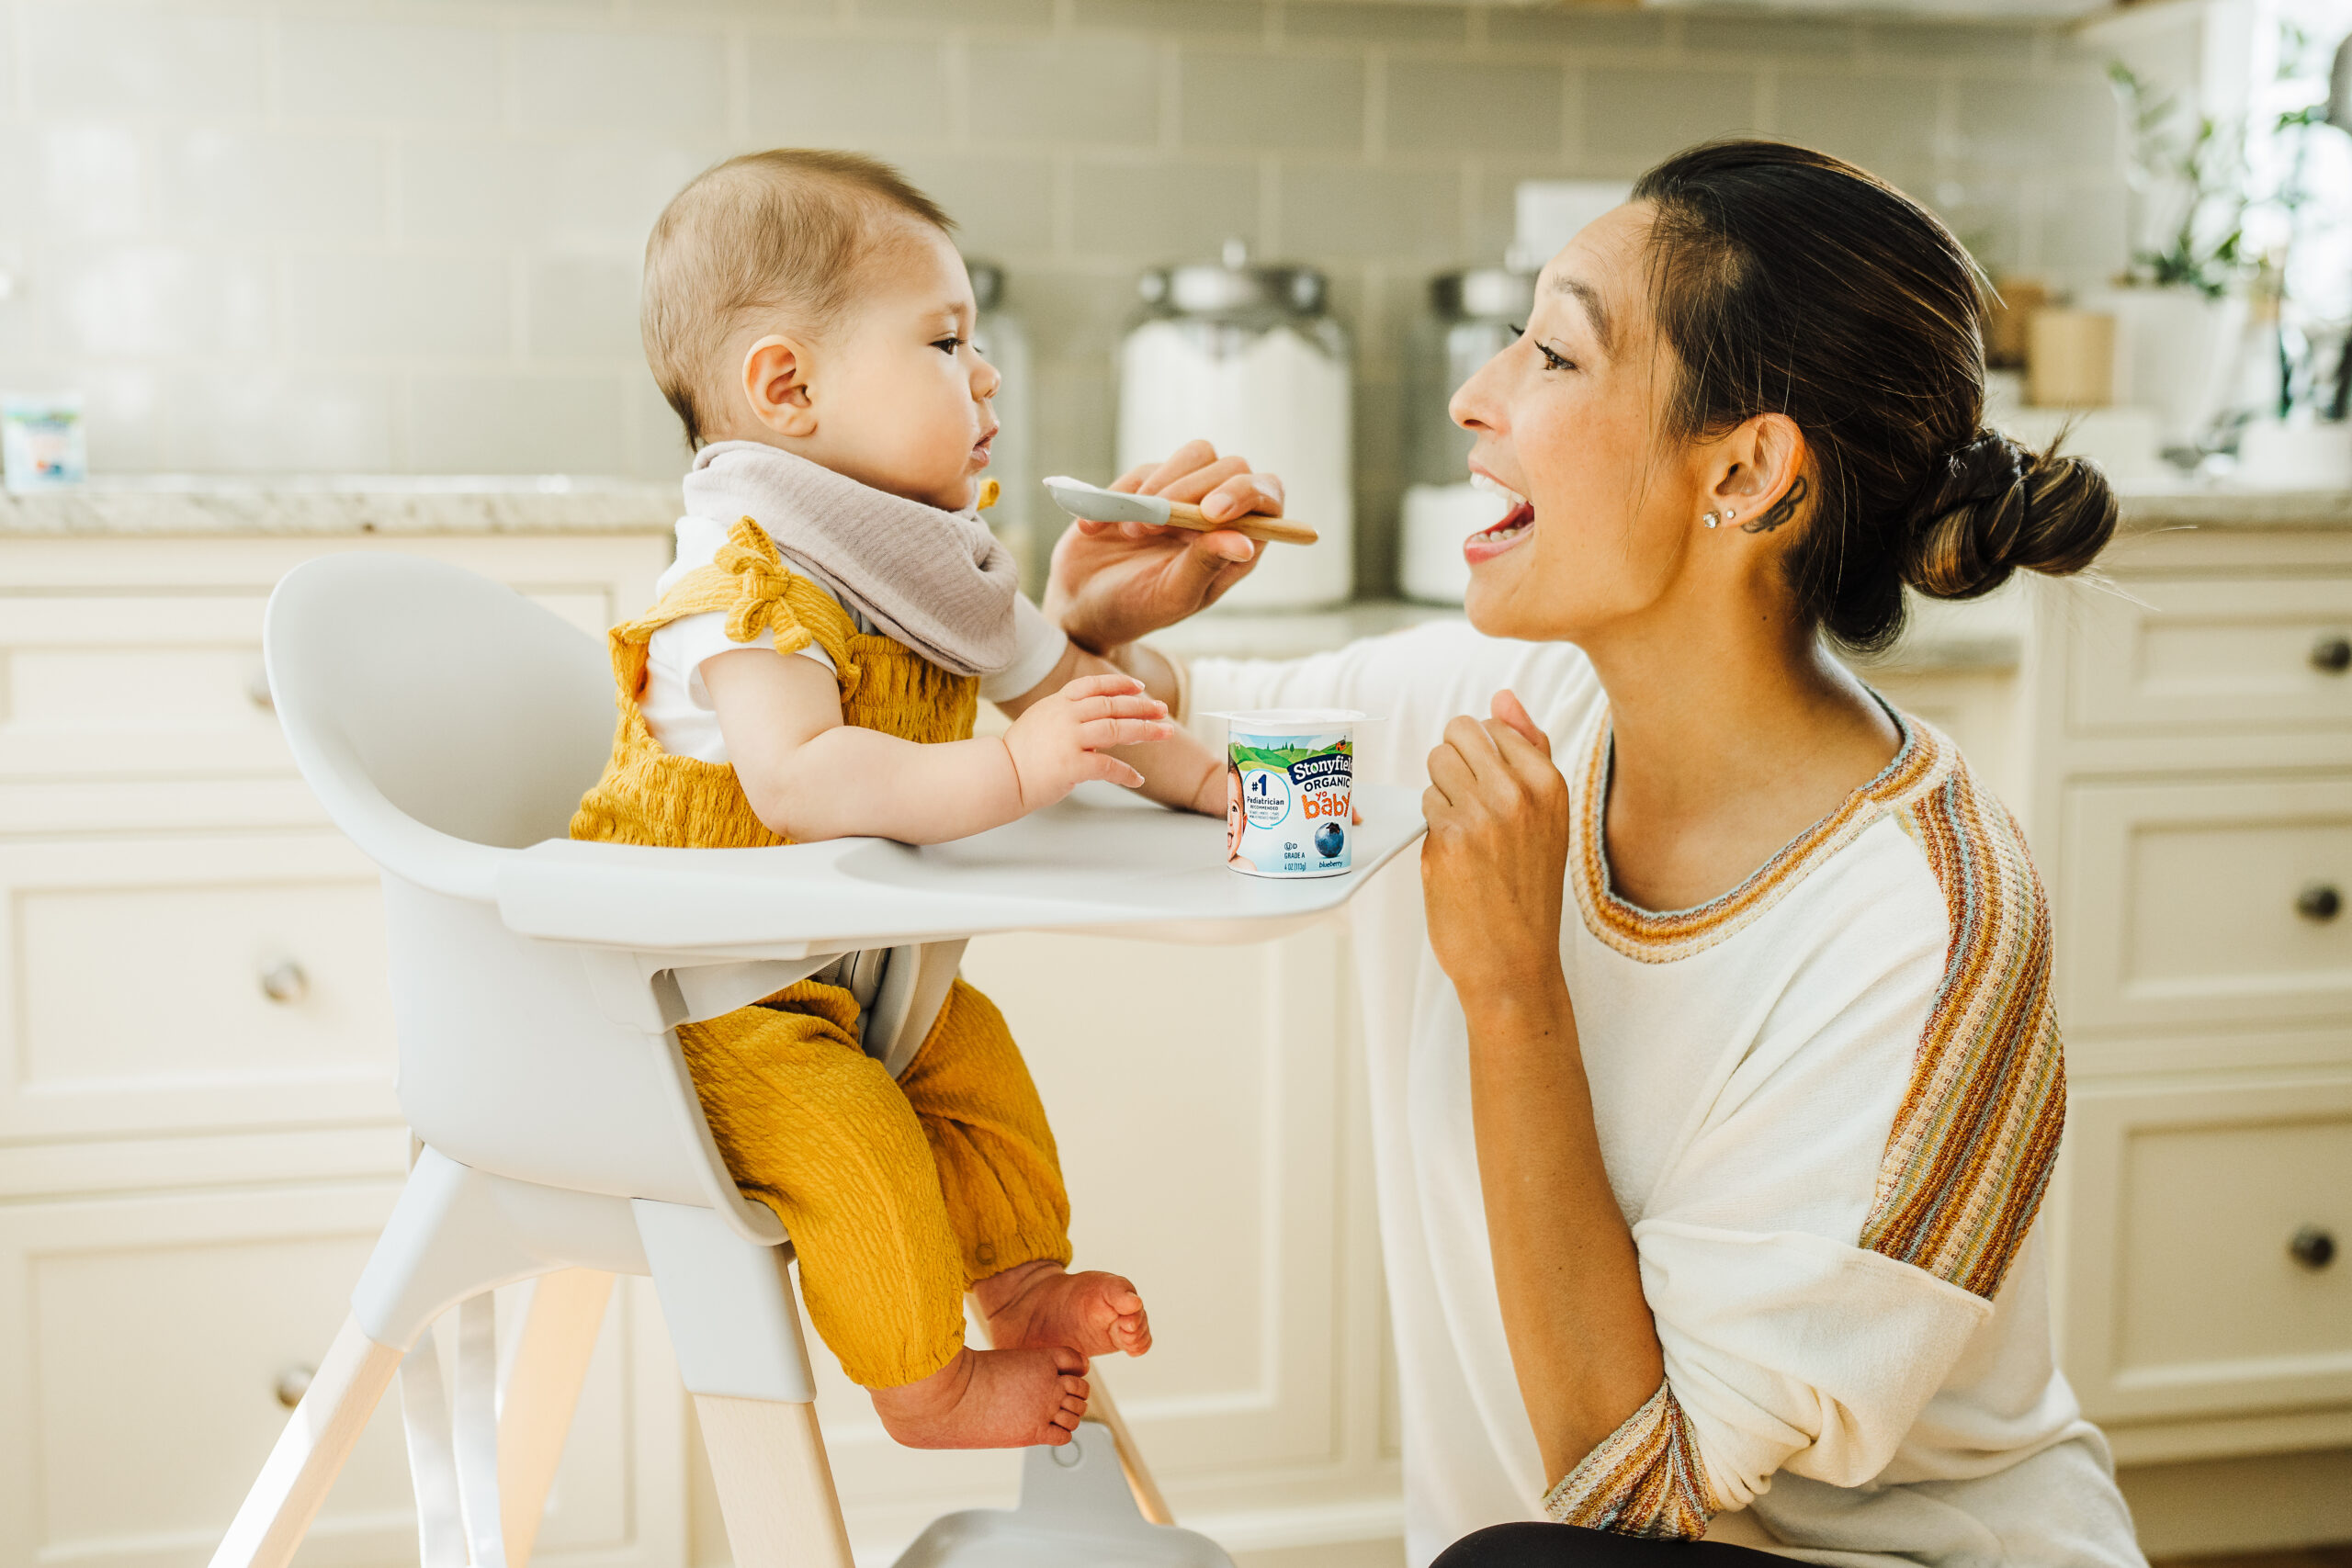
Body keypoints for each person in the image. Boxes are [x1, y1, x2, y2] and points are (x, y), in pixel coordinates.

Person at [1048, 141, 2145, 1564]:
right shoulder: (1513, 712)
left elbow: (1639, 1505)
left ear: (1746, 470)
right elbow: (1181, 754)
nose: (1475, 395)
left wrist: (1514, 990)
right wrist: (1080, 640)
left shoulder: (1921, 930)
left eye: (1554, 356)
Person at [568, 150, 1278, 1451]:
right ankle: (924, 1387)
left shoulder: (917, 561)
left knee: (979, 1061)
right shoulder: (747, 578)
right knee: (860, 1150)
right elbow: (798, 780)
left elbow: (1080, 691)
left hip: (846, 970)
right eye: (948, 341)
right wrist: (1016, 770)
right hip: (706, 1004)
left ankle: (1017, 1285)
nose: (988, 373)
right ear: (786, 387)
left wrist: (1219, 785)